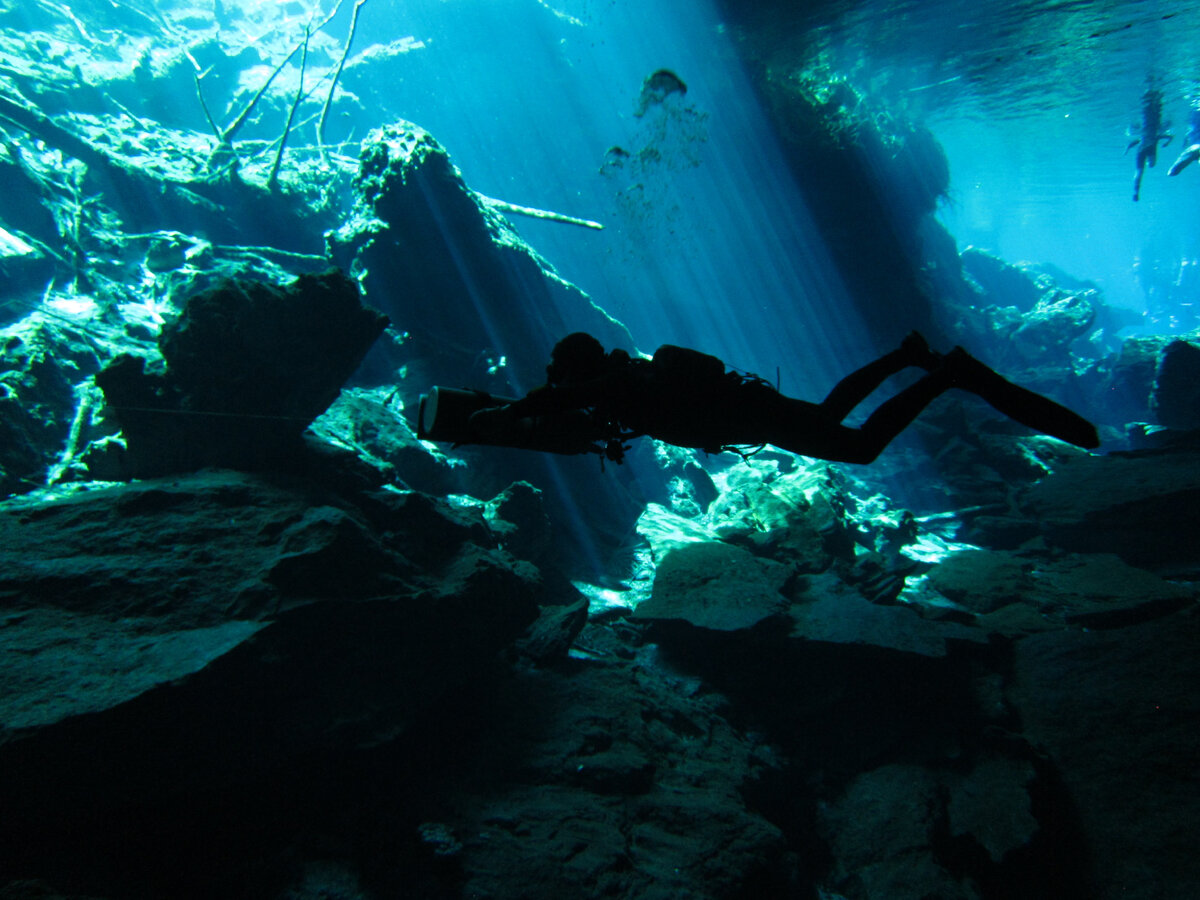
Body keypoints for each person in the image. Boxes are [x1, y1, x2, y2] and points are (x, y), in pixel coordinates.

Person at [466, 331, 1099, 465]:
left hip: (751, 414)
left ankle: (945, 375)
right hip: (752, 413)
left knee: (861, 449)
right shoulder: (618, 384)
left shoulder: (617, 381)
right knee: (830, 416)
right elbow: (572, 413)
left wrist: (509, 411)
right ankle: (910, 357)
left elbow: (552, 404)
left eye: (563, 373)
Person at [1127, 85, 1172, 201]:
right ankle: (1136, 192)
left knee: (1146, 168)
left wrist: (1127, 149)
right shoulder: (1153, 134)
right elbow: (1167, 136)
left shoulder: (1151, 134)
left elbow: (1168, 136)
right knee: (1144, 169)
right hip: (1145, 149)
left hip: (1144, 148)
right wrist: (1167, 141)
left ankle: (1136, 191)